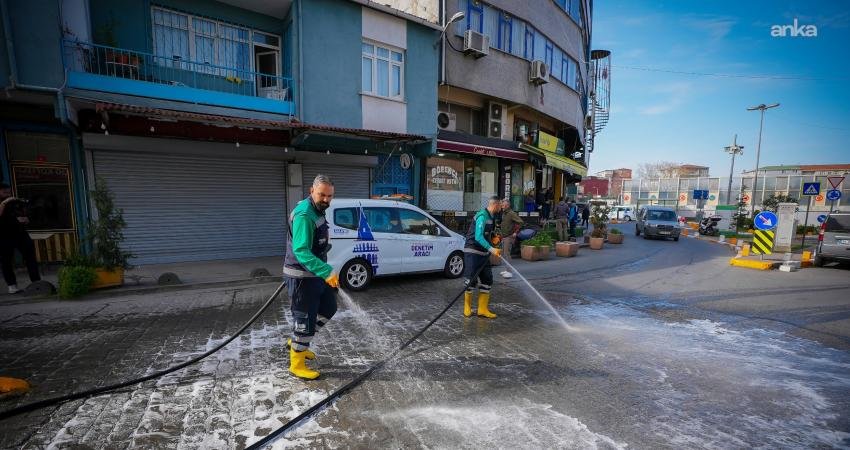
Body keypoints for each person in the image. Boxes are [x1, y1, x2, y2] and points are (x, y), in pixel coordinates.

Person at [283, 174, 340, 380]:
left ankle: (299, 342)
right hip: (302, 278)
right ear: (311, 191)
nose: (326, 199)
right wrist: (326, 271)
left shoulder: (317, 210)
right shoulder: (305, 214)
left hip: (314, 275)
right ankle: (296, 363)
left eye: (329, 196)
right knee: (304, 319)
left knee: (328, 308)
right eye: (322, 195)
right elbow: (301, 251)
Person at [462, 196, 502, 318]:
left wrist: (494, 238)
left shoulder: (492, 217)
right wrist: (492, 249)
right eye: (500, 205)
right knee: (471, 280)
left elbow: (487, 234)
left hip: (483, 254)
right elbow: (478, 237)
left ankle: (482, 309)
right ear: (495, 205)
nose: (501, 208)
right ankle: (467, 307)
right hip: (473, 252)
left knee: (487, 280)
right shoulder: (482, 216)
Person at [0, 184, 41, 294]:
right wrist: (4, 202)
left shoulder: (14, 202)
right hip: (4, 236)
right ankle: (12, 286)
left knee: (30, 256)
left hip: (20, 233)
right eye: (4, 192)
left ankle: (36, 282)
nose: (8, 194)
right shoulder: (4, 202)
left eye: (9, 192)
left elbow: (24, 213)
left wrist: (26, 219)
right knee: (6, 261)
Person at [498, 198, 524, 274]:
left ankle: (509, 271)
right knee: (504, 254)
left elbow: (521, 222)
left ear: (507, 205)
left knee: (507, 254)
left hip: (509, 236)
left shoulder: (511, 213)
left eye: (503, 205)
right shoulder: (504, 213)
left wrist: (515, 232)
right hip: (504, 236)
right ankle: (507, 270)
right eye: (502, 205)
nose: (502, 206)